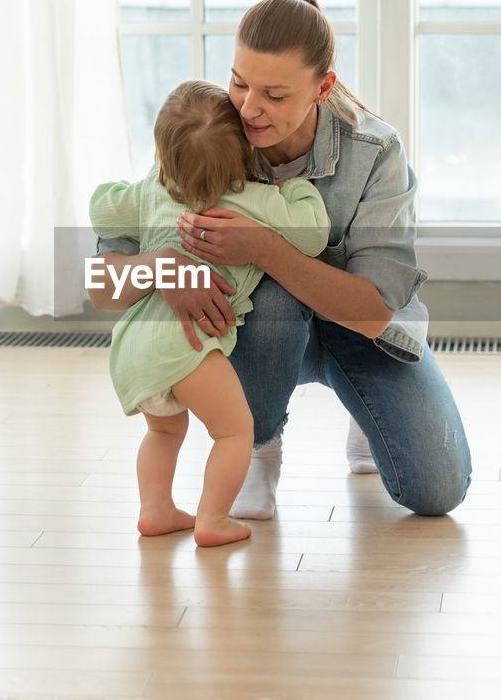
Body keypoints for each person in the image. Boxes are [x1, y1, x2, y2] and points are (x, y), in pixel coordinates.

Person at [95, 0, 472, 520]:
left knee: (437, 491)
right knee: (273, 300)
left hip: (360, 330)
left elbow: (375, 313)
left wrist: (264, 246)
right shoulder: (207, 129)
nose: (248, 108)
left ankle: (362, 410)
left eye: (273, 94)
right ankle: (258, 444)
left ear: (323, 87)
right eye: (240, 82)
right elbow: (100, 287)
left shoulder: (375, 152)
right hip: (257, 332)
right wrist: (161, 265)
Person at [89, 80, 330, 546]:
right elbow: (314, 232)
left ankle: (156, 510)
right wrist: (295, 189)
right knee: (234, 433)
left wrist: (146, 182)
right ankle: (213, 519)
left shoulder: (151, 191)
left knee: (163, 432)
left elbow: (102, 209)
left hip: (136, 344)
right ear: (243, 156)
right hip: (190, 346)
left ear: (163, 154)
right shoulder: (255, 201)